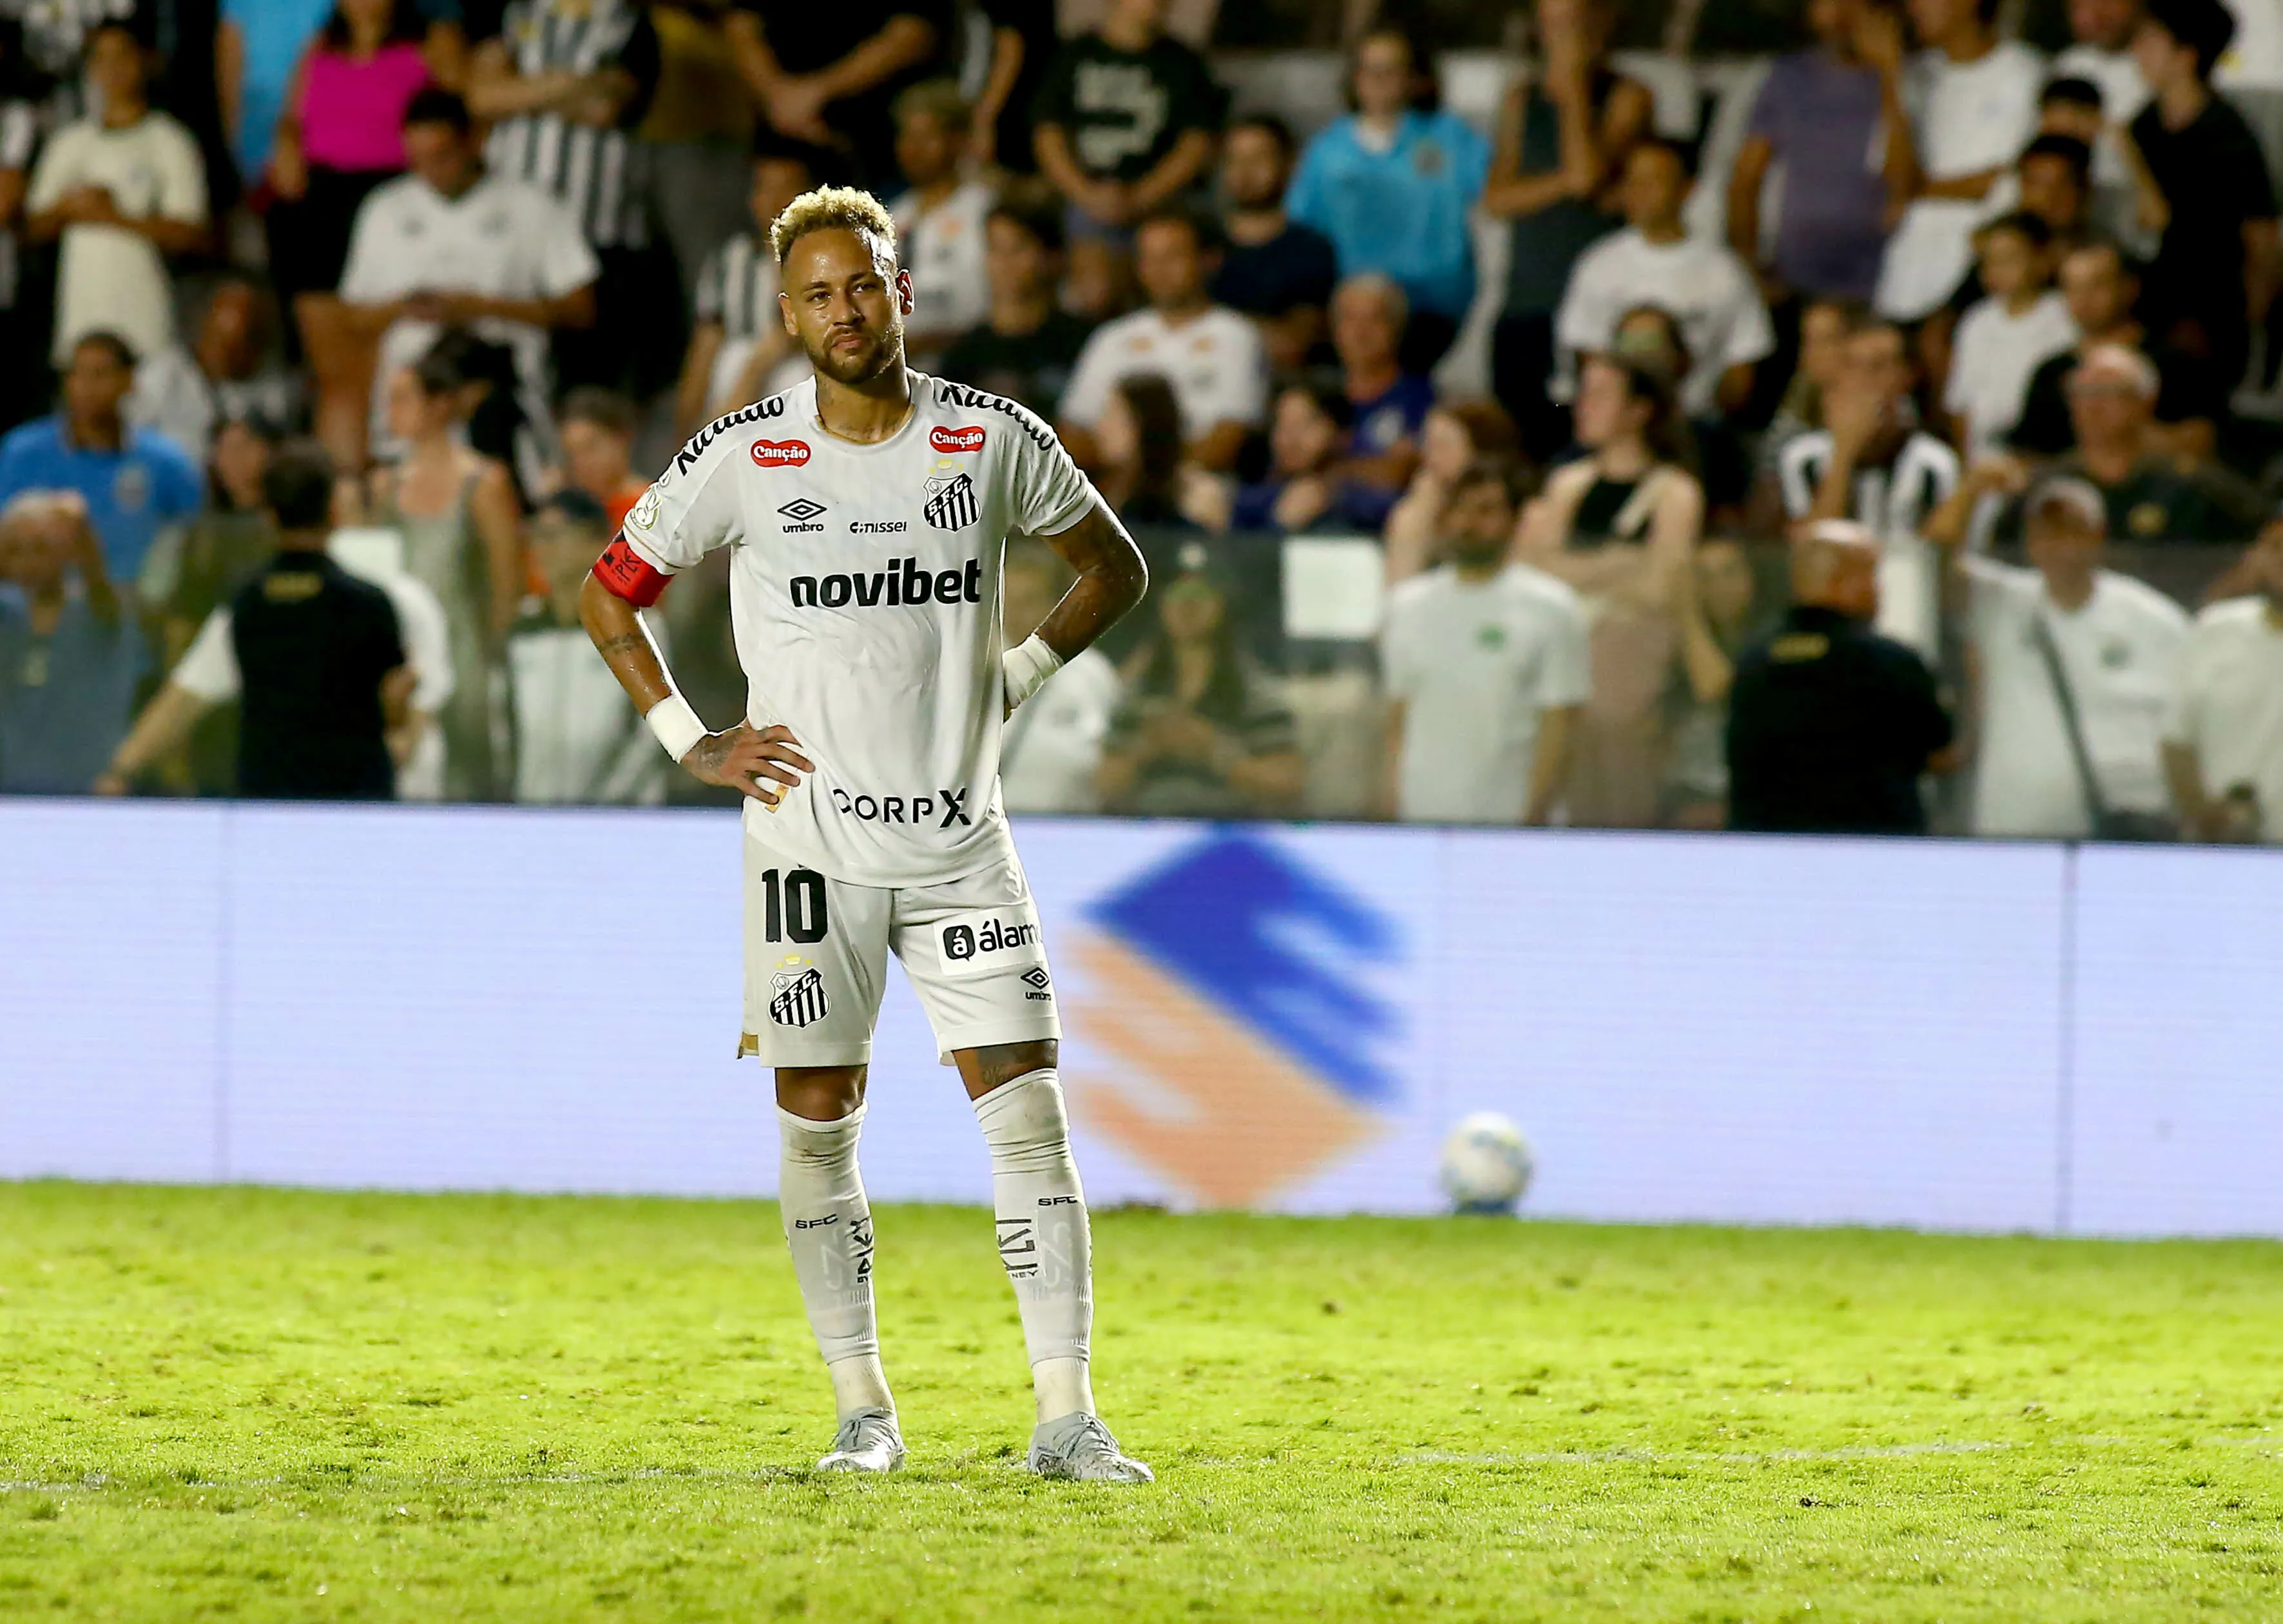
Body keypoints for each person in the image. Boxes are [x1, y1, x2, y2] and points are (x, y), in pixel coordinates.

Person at [577, 183, 1153, 1480]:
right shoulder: (744, 453)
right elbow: (609, 596)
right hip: (804, 853)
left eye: (865, 284)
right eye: (819, 293)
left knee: (1027, 1116)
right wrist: (690, 739)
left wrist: (1016, 674)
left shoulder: (990, 436)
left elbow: (1111, 567)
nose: (845, 310)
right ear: (789, 315)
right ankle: (862, 1417)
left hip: (960, 843)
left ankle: (1066, 1418)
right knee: (817, 1118)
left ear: (903, 290)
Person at [97, 440, 415, 800]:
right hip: (353, 801)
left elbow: (185, 699)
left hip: (269, 803)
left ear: (270, 517)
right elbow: (398, 703)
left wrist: (120, 770)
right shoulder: (370, 604)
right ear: (333, 511)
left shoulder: (246, 607)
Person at [337, 88, 599, 487]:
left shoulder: (533, 207)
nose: (430, 171)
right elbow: (353, 316)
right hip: (412, 399)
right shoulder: (384, 209)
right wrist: (404, 307)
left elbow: (580, 308)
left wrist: (480, 307)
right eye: (418, 159)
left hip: (502, 393)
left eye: (442, 156)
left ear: (474, 140)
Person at [1936, 472, 2186, 838]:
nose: (2058, 545)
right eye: (2045, 533)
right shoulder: (2000, 603)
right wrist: (1970, 490)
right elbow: (1935, 558)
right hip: (2017, 822)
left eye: (2071, 530)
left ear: (2097, 535)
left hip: (2123, 825)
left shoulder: (2153, 619)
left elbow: (2188, 719)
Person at [1516, 354, 1701, 828]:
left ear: (1638, 410)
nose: (1583, 406)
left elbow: (1659, 585)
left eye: (1599, 396)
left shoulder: (1673, 492)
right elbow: (1535, 567)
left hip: (1628, 661)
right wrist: (1619, 562)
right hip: (1562, 642)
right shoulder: (1566, 484)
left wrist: (1579, 569)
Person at [263, 0, 443, 467]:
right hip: (319, 206)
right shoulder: (319, 48)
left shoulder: (429, 44)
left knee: (381, 364)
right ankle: (342, 495)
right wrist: (285, 151)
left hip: (393, 204)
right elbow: (290, 119)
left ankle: (392, 479)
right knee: (334, 374)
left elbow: (458, 115)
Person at [1483, 0, 1649, 458]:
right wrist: (1565, 184)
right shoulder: (1522, 97)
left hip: (1593, 311)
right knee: (1518, 434)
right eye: (1552, 24)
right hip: (1526, 301)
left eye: (1572, 23)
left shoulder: (1626, 96)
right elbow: (1496, 199)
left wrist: (1572, 88)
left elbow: (1591, 171)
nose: (1562, 37)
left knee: (1581, 438)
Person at [468, 0, 661, 392]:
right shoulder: (511, 12)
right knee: (503, 365)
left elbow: (606, 107)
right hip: (511, 230)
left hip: (598, 227)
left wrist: (523, 87)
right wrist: (577, 82)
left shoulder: (631, 22)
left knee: (590, 381)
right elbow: (483, 97)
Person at [1380, 462, 1587, 826]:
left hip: (1513, 826)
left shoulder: (1553, 609)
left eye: (1486, 511)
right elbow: (1397, 719)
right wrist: (1391, 809)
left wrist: (1532, 816)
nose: (1469, 523)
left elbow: (1560, 725)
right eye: (1459, 509)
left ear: (1513, 521)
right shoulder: (1406, 607)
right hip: (1421, 823)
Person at [361, 346, 523, 799]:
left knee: (467, 768)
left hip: (464, 646)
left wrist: (493, 652)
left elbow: (505, 581)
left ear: (439, 405)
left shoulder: (483, 482)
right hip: (401, 651)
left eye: (402, 398)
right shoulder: (385, 485)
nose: (390, 410)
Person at [1725, 520, 1955, 834]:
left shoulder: (1753, 663)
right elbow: (1941, 755)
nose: (1878, 590)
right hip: (1874, 854)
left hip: (1770, 857)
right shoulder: (1890, 662)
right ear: (1843, 581)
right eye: (1871, 575)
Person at [1286, 23, 1489, 373]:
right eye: (1369, 69)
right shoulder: (1327, 151)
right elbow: (1302, 228)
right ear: (1354, 77)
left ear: (1415, 77)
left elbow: (1495, 194)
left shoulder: (1449, 137)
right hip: (1352, 310)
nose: (1379, 79)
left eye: (1392, 69)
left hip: (1432, 307)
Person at [1932, 344, 2267, 551]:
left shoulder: (2189, 483)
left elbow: (2269, 531)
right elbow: (1994, 561)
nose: (2092, 407)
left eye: (2108, 392)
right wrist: (1970, 489)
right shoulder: (2045, 486)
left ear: (2144, 401)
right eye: (2082, 395)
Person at [23, 23, 208, 370]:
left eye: (123, 55)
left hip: (148, 326)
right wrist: (68, 209)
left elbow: (192, 233)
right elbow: (33, 226)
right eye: (102, 59)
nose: (114, 68)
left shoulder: (169, 141)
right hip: (81, 319)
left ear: (146, 62)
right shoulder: (69, 142)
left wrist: (114, 216)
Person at [1777, 314, 1960, 659]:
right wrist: (1844, 452)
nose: (1863, 382)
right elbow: (1812, 554)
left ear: (1906, 377)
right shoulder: (1803, 459)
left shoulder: (1933, 462)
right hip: (1829, 620)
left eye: (1877, 367)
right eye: (1853, 367)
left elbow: (1937, 557)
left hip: (1911, 619)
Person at [1555, 139, 1774, 420]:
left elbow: (1743, 365)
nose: (1639, 193)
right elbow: (1584, 352)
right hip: (1615, 423)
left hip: (1696, 425)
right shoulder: (1598, 264)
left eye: (1652, 181)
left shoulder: (1724, 271)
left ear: (1686, 189)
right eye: (1632, 181)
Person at [1029, 0, 1221, 318]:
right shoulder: (1076, 55)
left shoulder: (1183, 62)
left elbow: (1196, 145)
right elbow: (1048, 135)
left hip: (1160, 202)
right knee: (1092, 285)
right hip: (1084, 199)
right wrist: (1087, 195)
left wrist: (1141, 197)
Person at [2126, 0, 2278, 385]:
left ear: (2185, 56)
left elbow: (2260, 235)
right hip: (2151, 287)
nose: (2137, 52)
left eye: (2150, 42)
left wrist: (2254, 318)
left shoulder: (2227, 135)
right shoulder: (2143, 124)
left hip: (2214, 297)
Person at [1727, 0, 1907, 312]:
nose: (1837, 16)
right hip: (1794, 282)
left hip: (1883, 283)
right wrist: (1749, 269)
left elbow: (1904, 182)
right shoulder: (1788, 77)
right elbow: (1745, 179)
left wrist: (1891, 75)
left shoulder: (1910, 80)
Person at [1871, 0, 2043, 324]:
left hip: (1979, 273)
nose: (1913, 7)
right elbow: (1895, 179)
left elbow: (2009, 179)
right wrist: (1891, 75)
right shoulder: (1914, 76)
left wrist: (1918, 189)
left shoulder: (2023, 71)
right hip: (1908, 273)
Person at [1097, 543, 1300, 818]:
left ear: (1224, 604)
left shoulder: (1256, 694)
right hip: (1146, 832)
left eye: (1200, 595)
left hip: (1230, 832)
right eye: (1176, 595)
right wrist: (1149, 747)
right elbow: (1103, 785)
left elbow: (1288, 784)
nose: (1187, 606)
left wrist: (1213, 751)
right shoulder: (1137, 692)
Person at [1057, 208, 1266, 474]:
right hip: (1114, 492)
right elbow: (1071, 434)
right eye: (1150, 258)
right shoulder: (1111, 338)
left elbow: (1227, 441)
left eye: (1173, 257)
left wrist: (1148, 470)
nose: (1160, 270)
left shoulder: (1237, 337)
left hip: (1198, 491)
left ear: (1207, 260)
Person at [0, 331, 202, 590]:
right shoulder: (22, 453)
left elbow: (195, 547)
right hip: (40, 611)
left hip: (137, 615)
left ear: (129, 382)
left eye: (100, 374)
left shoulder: (168, 463)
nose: (86, 387)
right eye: (77, 374)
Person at [505, 488, 666, 804]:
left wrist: (608, 805)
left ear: (597, 543)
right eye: (536, 537)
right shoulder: (523, 630)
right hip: (536, 814)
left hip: (623, 817)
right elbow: (505, 730)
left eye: (554, 536)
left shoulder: (638, 626)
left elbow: (651, 732)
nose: (541, 549)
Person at [2010, 240, 2217, 459]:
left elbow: (2202, 441)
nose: (2083, 298)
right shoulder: (2051, 372)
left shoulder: (2173, 363)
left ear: (2129, 288)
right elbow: (2028, 455)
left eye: (2096, 285)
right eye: (2072, 287)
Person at [725, 0, 947, 192]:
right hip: (785, 141)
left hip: (880, 146)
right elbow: (740, 25)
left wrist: (818, 91)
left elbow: (913, 34)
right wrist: (778, 95)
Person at [0, 491, 140, 793]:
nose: (26, 563)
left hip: (86, 790)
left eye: (40, 549)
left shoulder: (99, 614)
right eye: (14, 550)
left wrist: (85, 537)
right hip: (10, 790)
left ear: (67, 551)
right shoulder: (7, 616)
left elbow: (104, 596)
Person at [677, 144, 816, 438]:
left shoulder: (828, 259)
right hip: (739, 385)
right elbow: (704, 351)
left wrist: (756, 367)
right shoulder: (729, 261)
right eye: (765, 189)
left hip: (804, 374)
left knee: (793, 373)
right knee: (732, 356)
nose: (775, 201)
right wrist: (684, 438)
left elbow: (789, 340)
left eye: (786, 189)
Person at [2164, 521, 2283, 844]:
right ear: (2254, 558)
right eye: (2275, 548)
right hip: (2223, 850)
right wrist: (2200, 813)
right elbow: (2176, 741)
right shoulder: (2214, 631)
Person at [938, 186, 1097, 421]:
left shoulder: (1084, 342)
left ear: (1050, 257)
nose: (1004, 263)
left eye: (1018, 248)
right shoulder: (965, 354)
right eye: (995, 248)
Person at [998, 541, 1121, 813]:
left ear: (1058, 602)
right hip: (993, 834)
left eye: (1029, 600)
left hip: (1072, 828)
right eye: (1009, 600)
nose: (1016, 612)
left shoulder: (1092, 673)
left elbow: (1110, 764)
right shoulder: (977, 668)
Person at [1943, 211, 2077, 459]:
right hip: (1985, 456)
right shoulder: (1976, 321)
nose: (1999, 270)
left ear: (2042, 260)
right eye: (1989, 261)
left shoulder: (2064, 316)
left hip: (2042, 452)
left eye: (2010, 259)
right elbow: (1961, 402)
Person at [1209, 114, 1336, 373]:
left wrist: (1203, 320)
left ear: (1288, 165)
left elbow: (1292, 345)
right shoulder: (1198, 240)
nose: (1244, 172)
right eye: (1235, 160)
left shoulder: (1310, 249)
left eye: (1258, 159)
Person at [128, 278, 303, 462]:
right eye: (221, 341)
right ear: (204, 327)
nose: (226, 353)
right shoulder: (159, 376)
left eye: (244, 341)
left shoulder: (274, 393)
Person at [1663, 537, 1771, 828]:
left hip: (1748, 797)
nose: (1719, 587)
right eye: (1704, 577)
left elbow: (1714, 688)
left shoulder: (1770, 642)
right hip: (1687, 794)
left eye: (1729, 573)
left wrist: (1686, 613)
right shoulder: (1675, 645)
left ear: (1750, 580)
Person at [885, 81, 992, 363]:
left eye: (925, 137)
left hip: (966, 361)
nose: (913, 150)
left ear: (958, 141)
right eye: (907, 137)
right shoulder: (891, 215)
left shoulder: (983, 209)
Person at [1383, 400, 1523, 585]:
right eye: (1426, 445)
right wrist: (1420, 514)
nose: (1429, 457)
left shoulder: (1520, 506)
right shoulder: (1419, 507)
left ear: (1480, 450)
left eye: (1442, 446)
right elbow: (1399, 589)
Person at [1229, 382, 1389, 536]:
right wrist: (1282, 524)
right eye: (1283, 426)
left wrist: (1333, 496)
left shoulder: (1367, 495)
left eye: (1305, 425)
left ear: (1342, 434)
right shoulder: (1258, 498)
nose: (1291, 439)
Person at [1329, 274, 1434, 494]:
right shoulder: (1317, 395)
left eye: (1374, 320)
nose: (1360, 332)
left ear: (1397, 328)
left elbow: (1399, 473)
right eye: (1350, 319)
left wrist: (1330, 467)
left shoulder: (1422, 400)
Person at [1089, 372, 1216, 531]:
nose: (1101, 428)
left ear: (1146, 423)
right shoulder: (1101, 492)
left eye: (1114, 416)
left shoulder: (1192, 497)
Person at [557, 385, 648, 530]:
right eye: (572, 454)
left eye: (590, 448)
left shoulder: (652, 509)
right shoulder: (565, 513)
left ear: (622, 439)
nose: (581, 463)